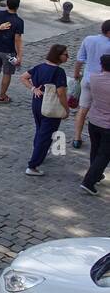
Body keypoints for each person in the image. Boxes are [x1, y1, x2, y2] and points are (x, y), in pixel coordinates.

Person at [21, 44, 70, 176]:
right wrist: (66, 109)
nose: (68, 57)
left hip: (37, 103)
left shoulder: (39, 67)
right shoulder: (59, 72)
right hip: (50, 107)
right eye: (66, 54)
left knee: (40, 129)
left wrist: (33, 89)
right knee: (46, 135)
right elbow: (61, 93)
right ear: (58, 56)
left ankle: (38, 150)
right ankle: (33, 165)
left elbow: (23, 77)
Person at [71, 20, 110, 150]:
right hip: (104, 83)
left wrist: (76, 74)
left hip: (88, 79)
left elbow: (80, 59)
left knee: (82, 109)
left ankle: (77, 138)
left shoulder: (88, 39)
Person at [80, 54, 110, 194]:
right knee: (104, 154)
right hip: (107, 125)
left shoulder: (93, 78)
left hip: (94, 120)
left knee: (95, 150)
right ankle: (89, 181)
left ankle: (96, 173)